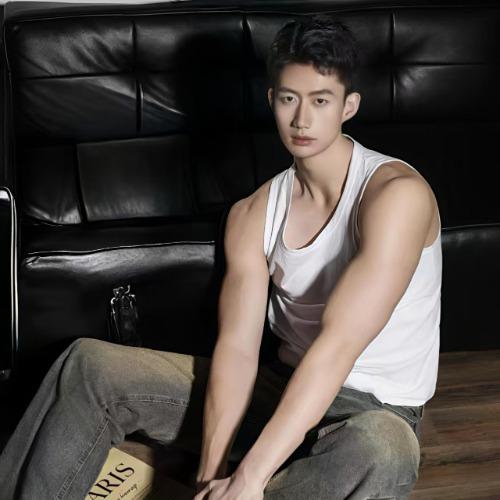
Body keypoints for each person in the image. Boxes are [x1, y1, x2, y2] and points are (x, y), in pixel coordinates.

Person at [0, 14, 441, 500]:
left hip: (370, 412)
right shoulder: (252, 213)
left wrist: (249, 476)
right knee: (89, 366)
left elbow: (338, 347)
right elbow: (237, 350)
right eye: (289, 99)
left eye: (320, 101)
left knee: (384, 449)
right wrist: (208, 477)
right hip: (280, 392)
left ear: (348, 106)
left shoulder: (395, 196)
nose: (302, 119)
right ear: (271, 99)